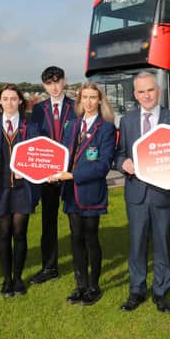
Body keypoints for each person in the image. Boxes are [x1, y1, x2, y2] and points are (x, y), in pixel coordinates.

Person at [115, 71, 170, 314]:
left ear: (159, 91)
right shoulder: (127, 121)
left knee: (163, 244)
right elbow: (120, 153)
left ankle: (161, 292)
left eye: (150, 90)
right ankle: (137, 290)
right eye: (141, 91)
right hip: (136, 193)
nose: (146, 95)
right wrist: (123, 163)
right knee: (136, 244)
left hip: (165, 193)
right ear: (135, 94)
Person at [50, 82, 116, 306]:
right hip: (70, 193)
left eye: (92, 97)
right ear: (79, 101)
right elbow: (62, 155)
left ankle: (94, 287)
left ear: (100, 100)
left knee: (90, 239)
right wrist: (50, 170)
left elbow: (103, 164)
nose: (88, 102)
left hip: (91, 192)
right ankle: (81, 285)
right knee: (75, 239)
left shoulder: (106, 128)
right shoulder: (72, 125)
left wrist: (72, 175)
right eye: (84, 98)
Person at [0, 84, 41, 297]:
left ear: (19, 102)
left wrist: (25, 172)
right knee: (4, 234)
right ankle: (6, 280)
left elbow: (37, 157)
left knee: (20, 233)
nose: (9, 102)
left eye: (13, 98)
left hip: (23, 189)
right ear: (0, 102)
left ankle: (18, 279)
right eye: (5, 99)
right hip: (0, 188)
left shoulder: (31, 127)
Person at [29, 66, 76, 284]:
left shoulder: (76, 106)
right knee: (48, 222)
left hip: (69, 173)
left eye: (57, 82)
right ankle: (50, 267)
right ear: (44, 85)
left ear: (64, 81)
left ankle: (80, 266)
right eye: (49, 83)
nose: (54, 87)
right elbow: (33, 139)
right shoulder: (38, 110)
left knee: (76, 221)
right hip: (47, 176)